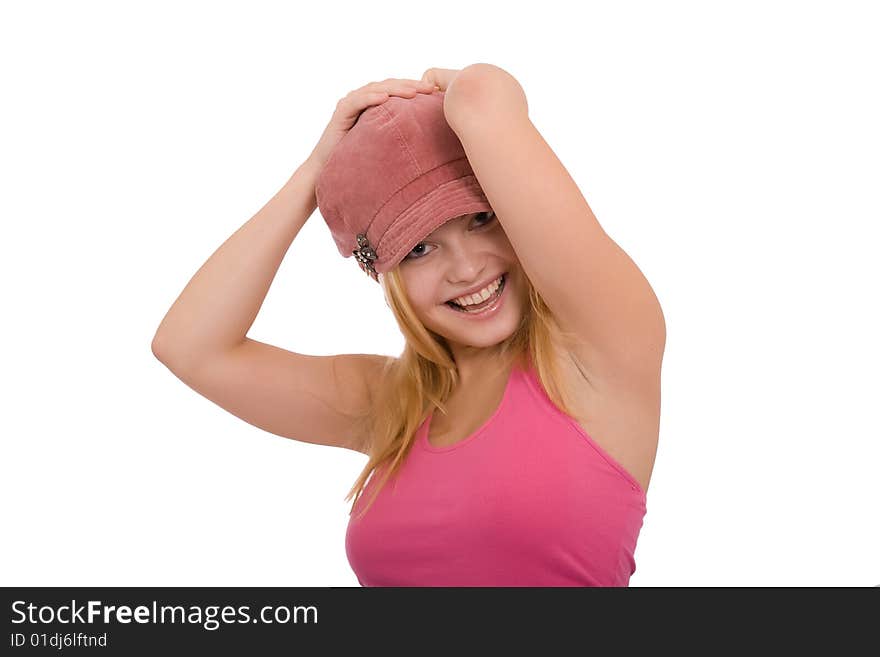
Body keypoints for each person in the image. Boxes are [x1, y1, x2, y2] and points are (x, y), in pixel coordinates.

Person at [152, 67, 665, 587]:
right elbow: (189, 347)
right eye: (420, 248)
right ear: (387, 276)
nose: (466, 269)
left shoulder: (601, 347)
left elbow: (485, 99)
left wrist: (455, 88)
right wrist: (315, 172)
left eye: (480, 219)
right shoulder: (393, 402)